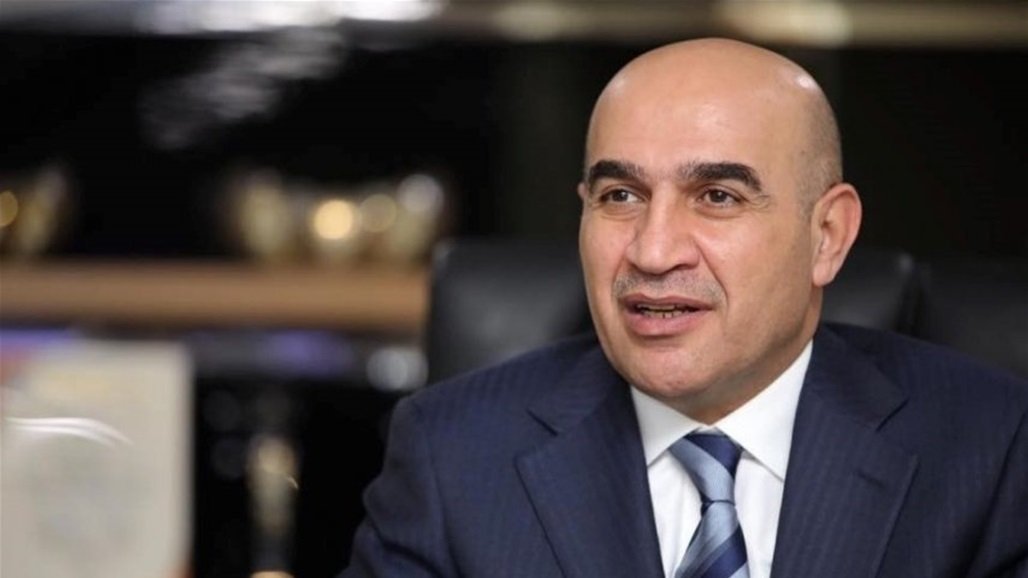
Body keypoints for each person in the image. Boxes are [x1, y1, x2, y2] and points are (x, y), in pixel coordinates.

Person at [341, 38, 1028, 578]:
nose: (653, 250)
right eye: (621, 196)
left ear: (827, 236)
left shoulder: (992, 450)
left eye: (717, 197)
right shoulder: (453, 455)